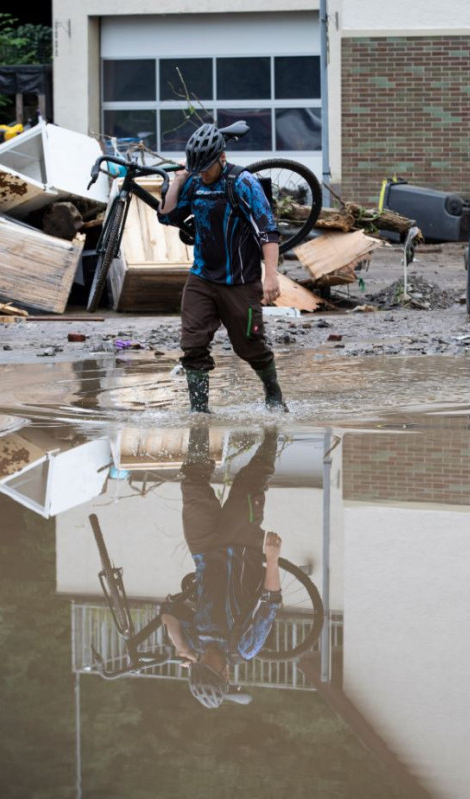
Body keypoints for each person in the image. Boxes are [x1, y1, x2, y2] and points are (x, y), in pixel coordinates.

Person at [158, 123, 287, 414]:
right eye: (197, 168)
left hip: (241, 281)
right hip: (202, 277)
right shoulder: (193, 180)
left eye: (206, 168)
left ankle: (273, 393)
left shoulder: (242, 183)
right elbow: (166, 217)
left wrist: (271, 276)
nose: (202, 174)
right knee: (192, 345)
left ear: (222, 158)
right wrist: (178, 181)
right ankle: (199, 412)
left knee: (249, 347)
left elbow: (267, 231)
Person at [160, 424, 284, 709]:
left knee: (192, 484)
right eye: (220, 672)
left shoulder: (196, 641)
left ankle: (200, 422)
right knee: (247, 484)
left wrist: (181, 647)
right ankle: (272, 430)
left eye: (206, 667)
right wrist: (273, 558)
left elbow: (168, 612)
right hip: (240, 546)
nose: (225, 671)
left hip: (204, 550)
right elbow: (270, 603)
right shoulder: (244, 647)